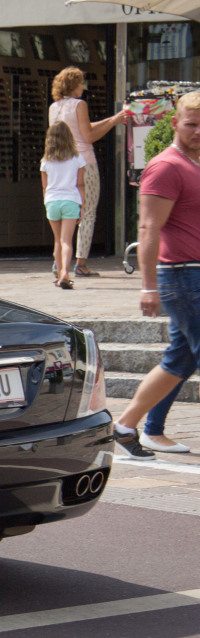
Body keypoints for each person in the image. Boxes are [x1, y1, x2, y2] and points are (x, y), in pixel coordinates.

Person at [111, 91, 200, 459]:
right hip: (183, 276)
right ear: (175, 123)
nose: (197, 131)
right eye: (191, 124)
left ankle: (127, 427)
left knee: (180, 359)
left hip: (194, 274)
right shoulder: (166, 167)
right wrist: (148, 287)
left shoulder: (194, 164)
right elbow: (148, 229)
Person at [48, 66, 129, 277]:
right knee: (88, 212)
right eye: (81, 83)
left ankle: (59, 262)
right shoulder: (79, 104)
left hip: (61, 164)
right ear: (74, 84)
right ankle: (81, 263)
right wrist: (114, 121)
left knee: (64, 214)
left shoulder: (54, 107)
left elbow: (81, 128)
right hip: (84, 162)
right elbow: (88, 136)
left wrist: (113, 119)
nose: (84, 87)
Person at [39, 121, 85, 290]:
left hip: (52, 200)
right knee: (67, 241)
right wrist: (83, 205)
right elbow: (80, 184)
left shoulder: (46, 161)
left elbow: (44, 186)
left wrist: (46, 203)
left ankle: (59, 275)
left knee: (57, 241)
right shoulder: (77, 158)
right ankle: (65, 272)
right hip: (70, 200)